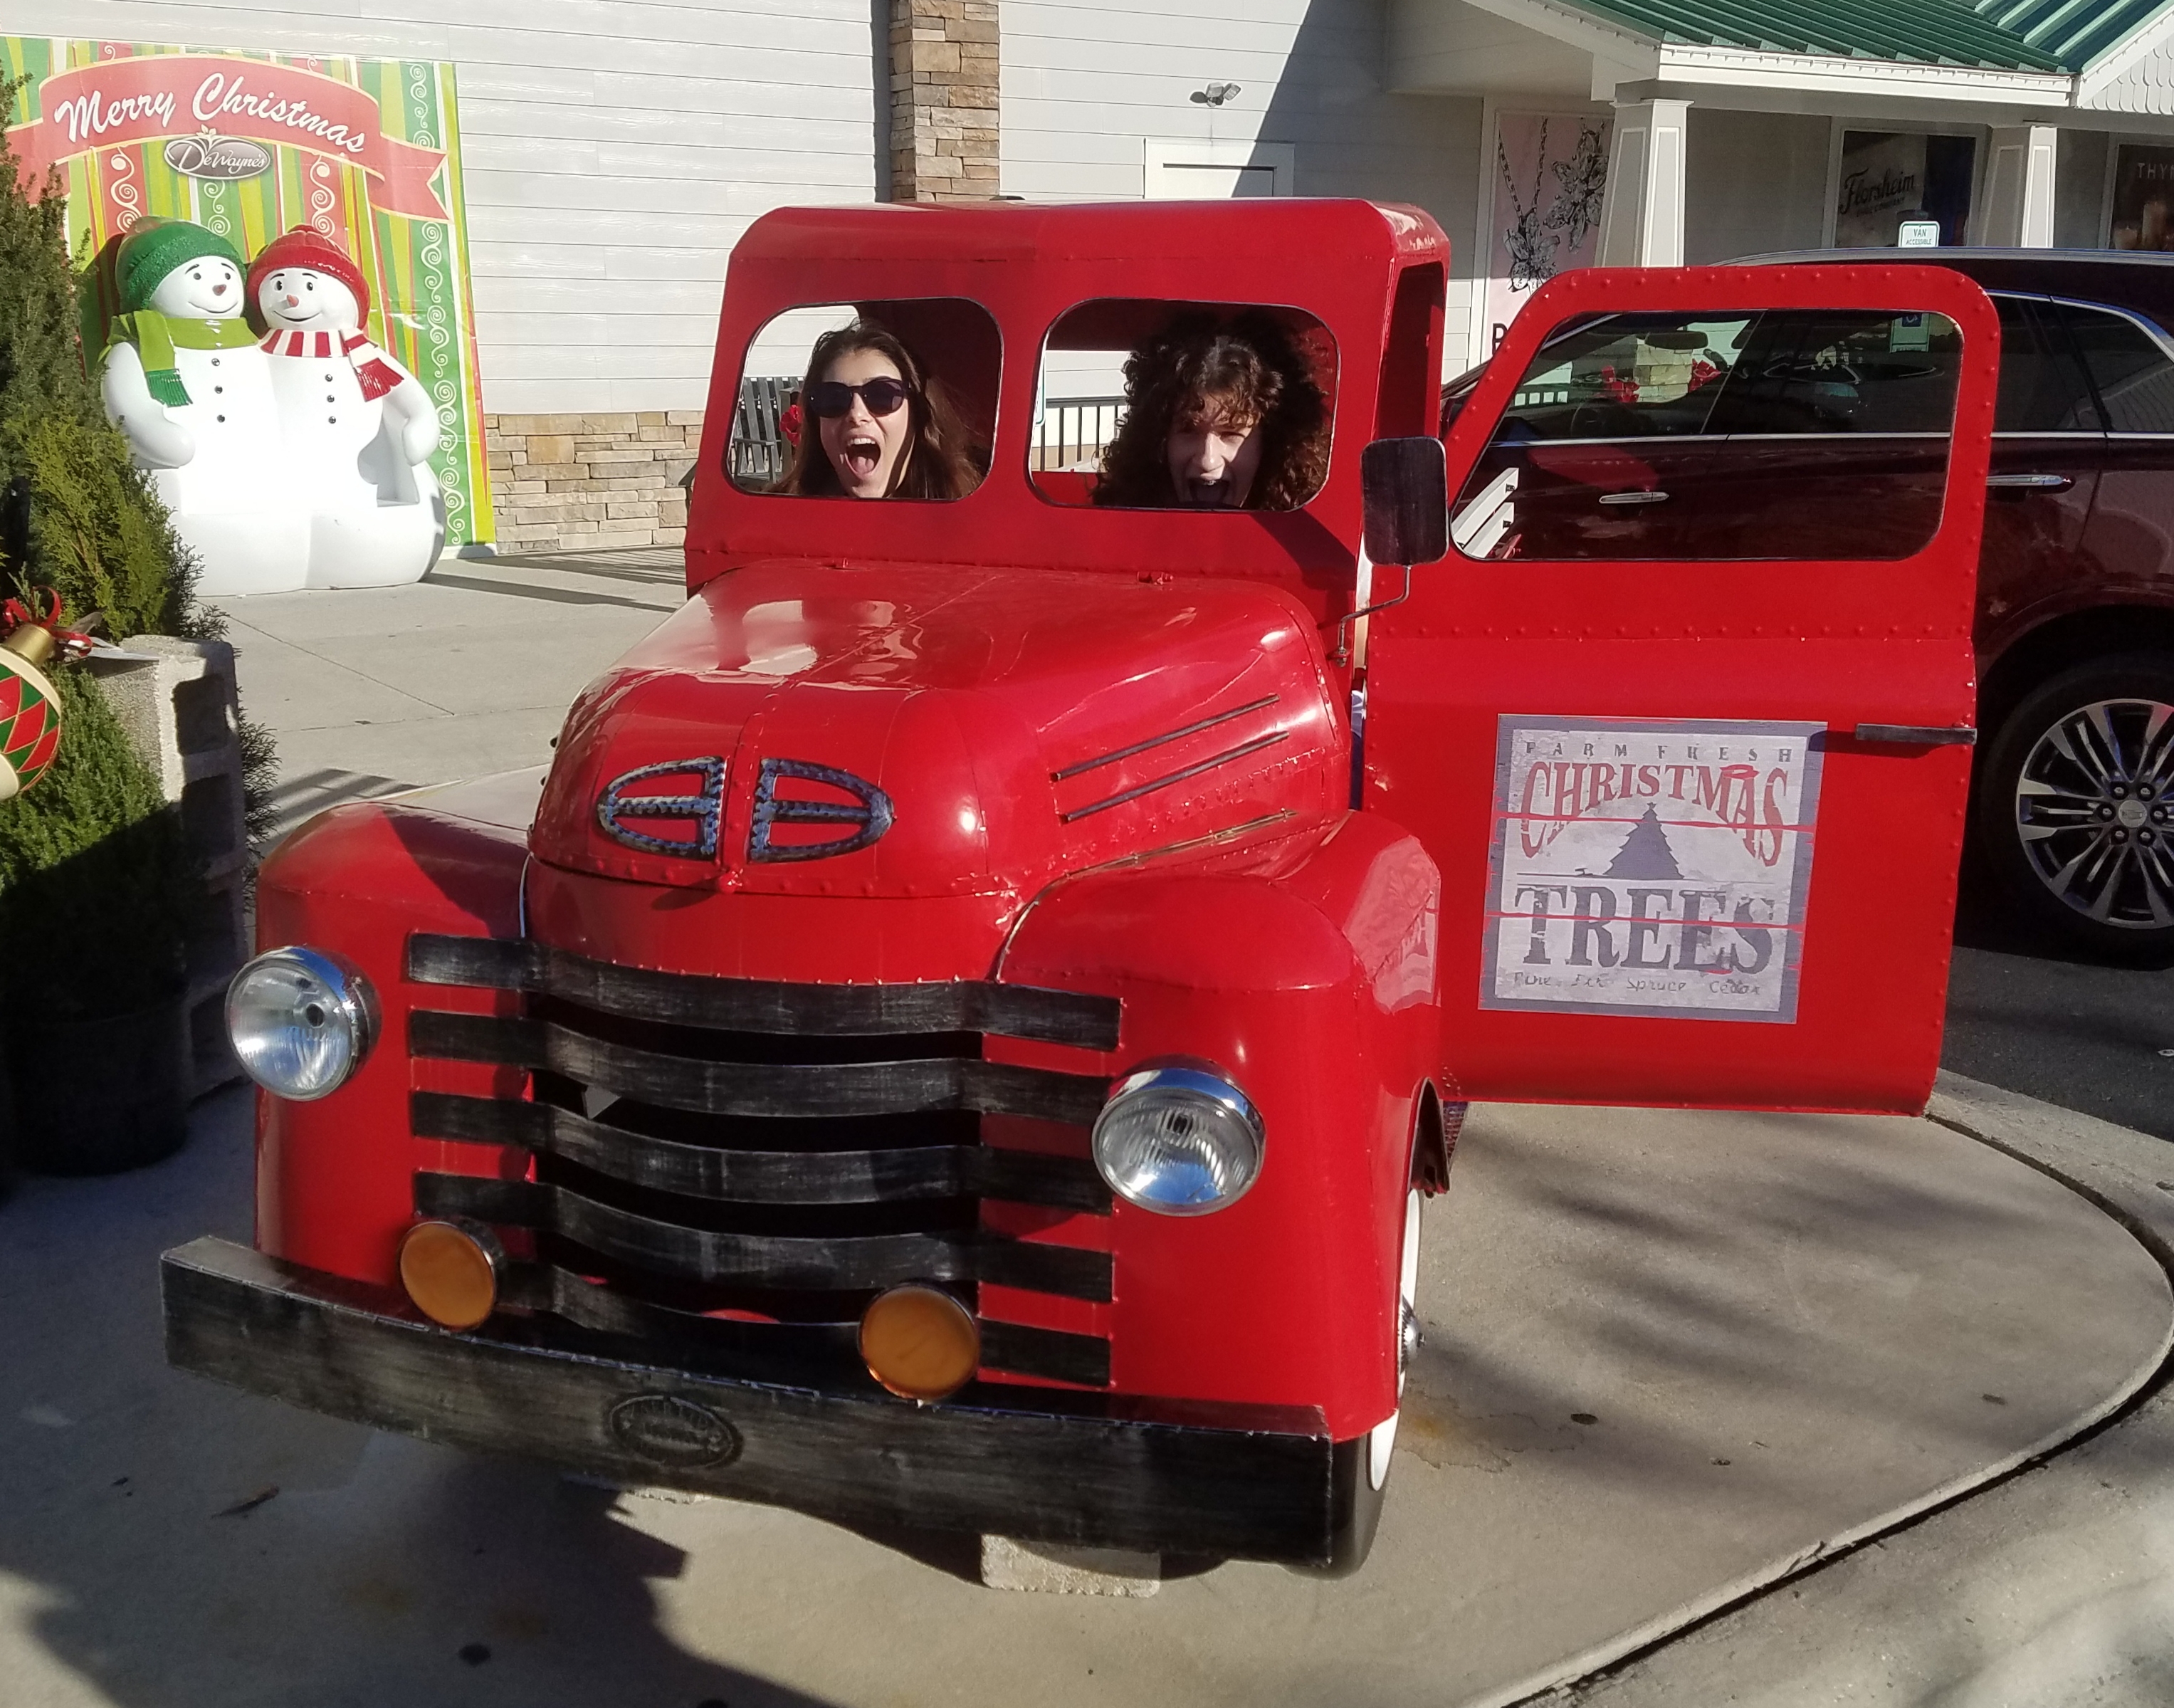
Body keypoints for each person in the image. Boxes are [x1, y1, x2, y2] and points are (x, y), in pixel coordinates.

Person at [1094, 310, 1330, 510]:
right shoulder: (1115, 533)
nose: (1207, 460)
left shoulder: (1304, 543)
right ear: (1159, 441)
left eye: (1231, 433)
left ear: (1270, 445)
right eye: (1189, 430)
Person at [772, 320, 979, 500]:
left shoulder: (973, 516)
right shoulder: (777, 518)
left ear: (918, 413)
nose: (856, 415)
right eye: (833, 399)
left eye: (882, 395)